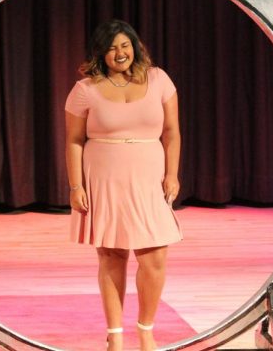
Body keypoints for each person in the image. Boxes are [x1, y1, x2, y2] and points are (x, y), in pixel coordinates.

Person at [65, 19, 182, 351]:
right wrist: (76, 186)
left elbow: (172, 132)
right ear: (101, 53)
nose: (120, 52)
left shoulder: (159, 80)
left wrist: (172, 173)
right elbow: (73, 141)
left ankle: (145, 329)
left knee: (155, 256)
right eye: (113, 47)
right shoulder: (84, 89)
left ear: (136, 47)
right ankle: (114, 335)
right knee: (112, 255)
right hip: (104, 176)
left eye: (125, 45)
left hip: (148, 176)